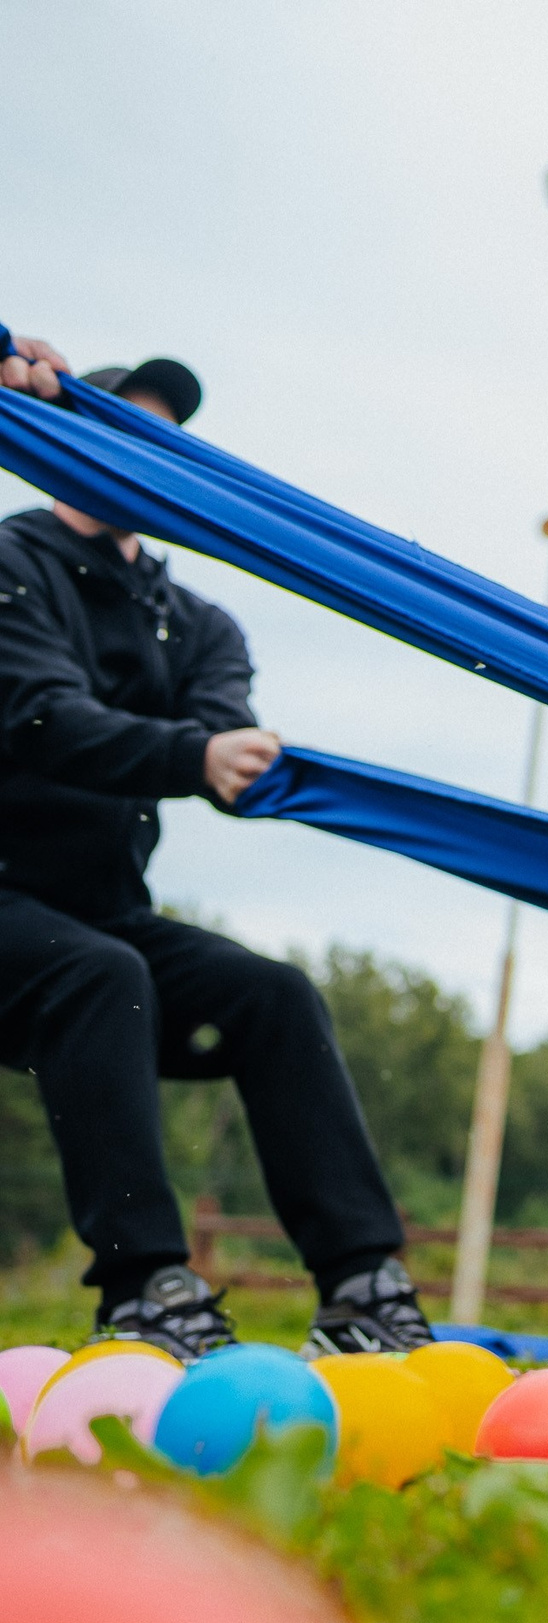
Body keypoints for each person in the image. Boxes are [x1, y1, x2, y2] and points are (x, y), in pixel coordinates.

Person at [0, 339, 432, 1360]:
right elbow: (39, 718)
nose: (142, 456)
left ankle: (364, 1287)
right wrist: (195, 754)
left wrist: (237, 762)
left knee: (271, 994)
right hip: (16, 918)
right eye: (121, 433)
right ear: (66, 443)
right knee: (104, 976)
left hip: (98, 915)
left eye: (163, 442)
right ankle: (146, 1290)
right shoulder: (11, 567)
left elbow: (220, 731)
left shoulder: (196, 622)